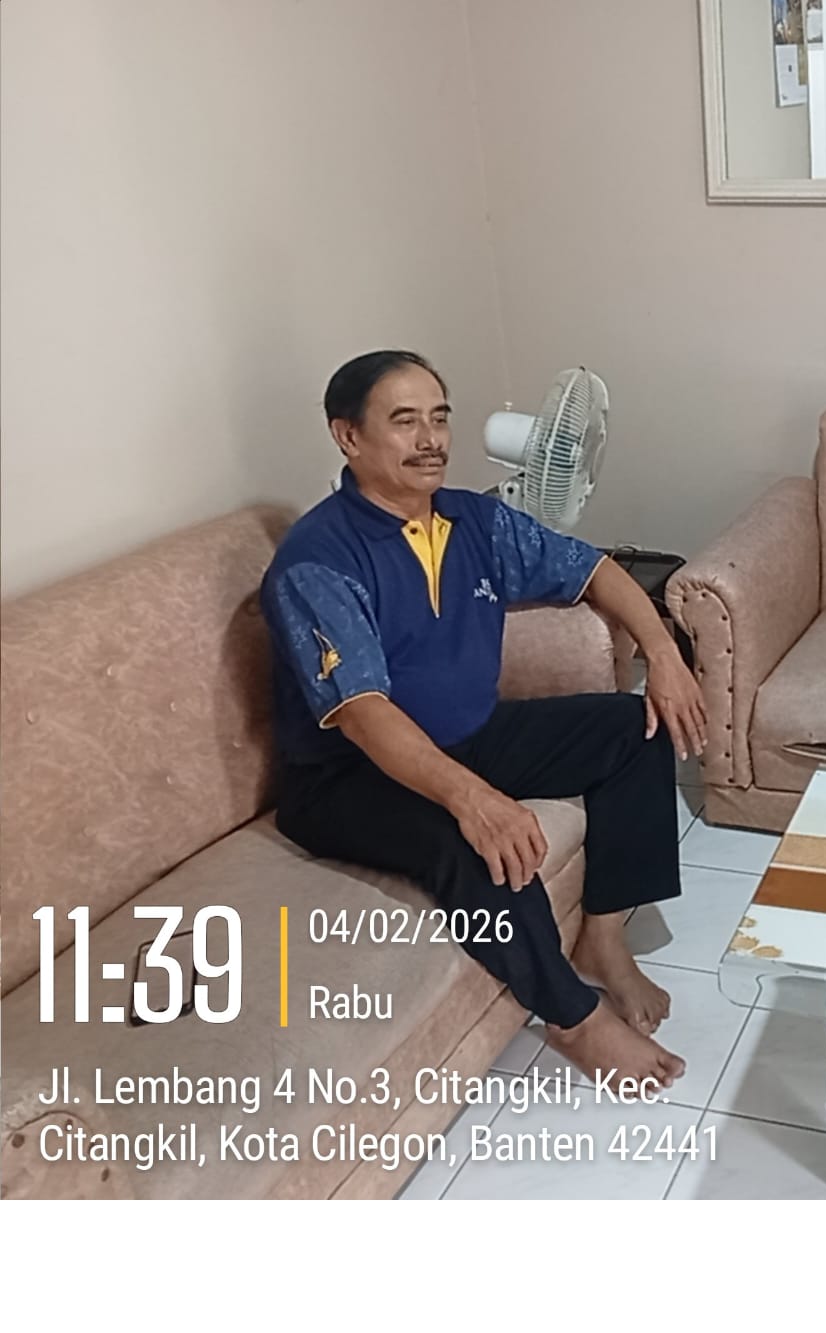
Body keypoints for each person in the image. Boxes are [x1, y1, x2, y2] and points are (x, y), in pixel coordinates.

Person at [262, 350, 706, 1088]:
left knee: (634, 730)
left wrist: (663, 652)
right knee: (472, 841)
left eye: (439, 418)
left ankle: (603, 938)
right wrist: (475, 798)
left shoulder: (474, 520)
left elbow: (596, 569)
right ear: (348, 436)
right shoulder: (319, 558)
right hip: (347, 778)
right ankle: (573, 1019)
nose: (430, 439)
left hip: (466, 736)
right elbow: (364, 713)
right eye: (404, 421)